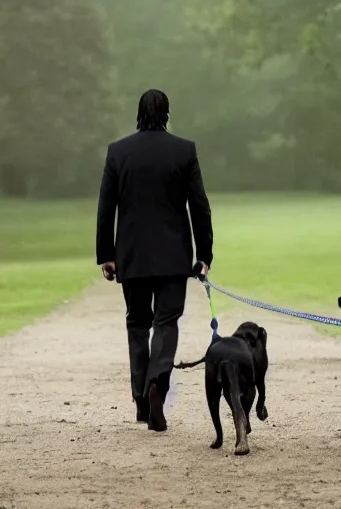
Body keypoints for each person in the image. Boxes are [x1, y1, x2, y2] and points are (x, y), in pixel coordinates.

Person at [95, 89, 213, 432]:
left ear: (138, 113)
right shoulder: (183, 150)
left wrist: (107, 254)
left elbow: (106, 208)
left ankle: (141, 401)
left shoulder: (118, 151)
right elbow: (199, 206)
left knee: (137, 324)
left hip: (131, 256)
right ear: (166, 114)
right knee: (166, 322)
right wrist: (204, 255)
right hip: (173, 257)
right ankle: (157, 383)